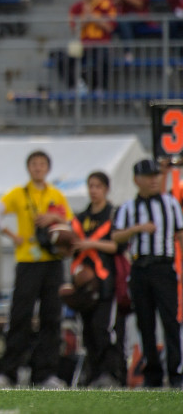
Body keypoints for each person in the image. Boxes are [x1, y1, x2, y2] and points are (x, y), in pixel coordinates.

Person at [0, 150, 72, 389]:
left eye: (42, 164)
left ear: (48, 168)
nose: (38, 168)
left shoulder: (56, 195)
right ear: (28, 168)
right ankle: (9, 372)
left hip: (52, 261)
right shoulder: (19, 193)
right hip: (27, 262)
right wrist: (12, 235)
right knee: (20, 316)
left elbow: (69, 224)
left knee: (51, 316)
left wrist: (53, 219)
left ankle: (46, 374)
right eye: (34, 164)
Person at [112, 159, 183, 388]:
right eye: (149, 176)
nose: (154, 180)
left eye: (156, 175)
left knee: (170, 321)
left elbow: (180, 233)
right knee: (145, 322)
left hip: (164, 268)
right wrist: (137, 229)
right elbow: (116, 236)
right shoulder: (128, 208)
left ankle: (176, 373)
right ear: (137, 180)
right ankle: (152, 374)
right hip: (140, 268)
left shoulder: (171, 204)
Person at [71, 171, 126, 388]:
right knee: (88, 331)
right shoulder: (81, 217)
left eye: (98, 186)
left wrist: (91, 244)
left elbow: (117, 246)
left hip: (105, 281)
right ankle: (93, 374)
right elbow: (69, 244)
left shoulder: (113, 215)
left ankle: (111, 373)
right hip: (84, 284)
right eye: (91, 186)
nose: (93, 191)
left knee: (104, 328)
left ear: (106, 189)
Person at [65, 0, 116, 91]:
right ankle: (75, 87)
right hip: (82, 46)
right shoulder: (76, 7)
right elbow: (74, 29)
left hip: (101, 45)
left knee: (102, 58)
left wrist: (93, 17)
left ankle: (100, 88)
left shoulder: (107, 4)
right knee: (63, 59)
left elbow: (110, 27)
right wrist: (85, 19)